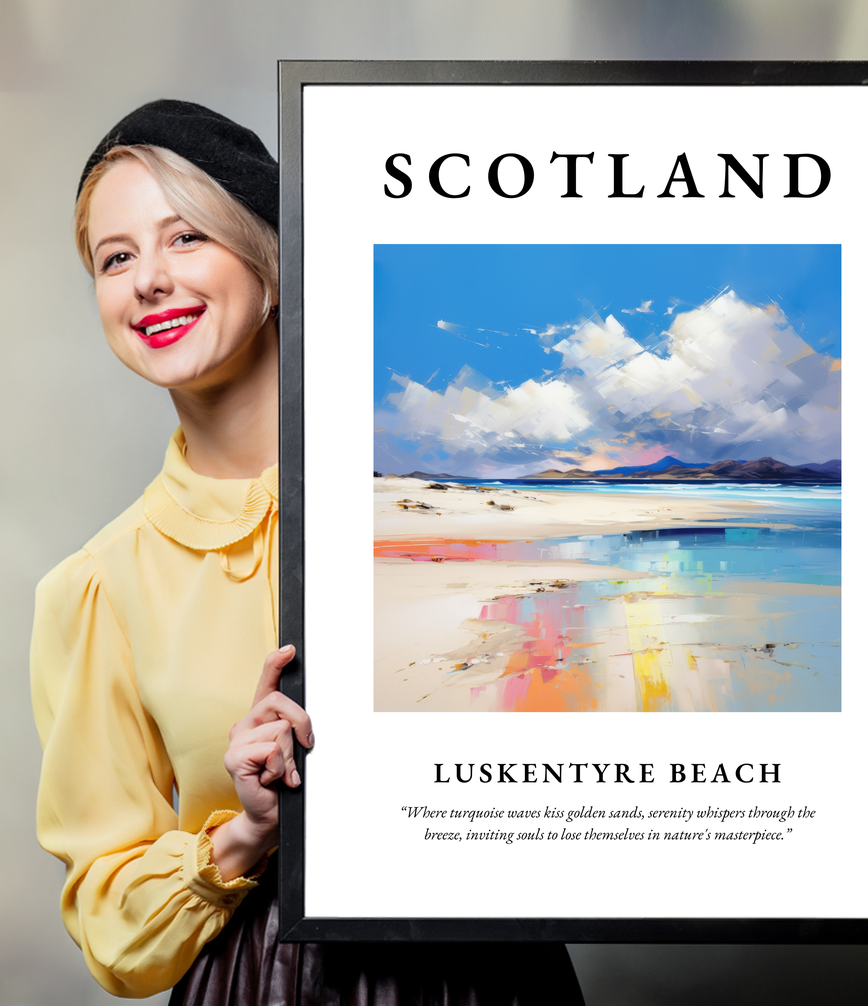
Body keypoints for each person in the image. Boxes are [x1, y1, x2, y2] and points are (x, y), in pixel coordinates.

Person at [30, 100, 586, 1004]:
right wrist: (245, 833)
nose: (149, 281)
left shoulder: (441, 506)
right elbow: (110, 924)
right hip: (262, 981)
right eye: (115, 258)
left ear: (273, 262)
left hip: (491, 972)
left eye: (186, 237)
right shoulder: (97, 586)